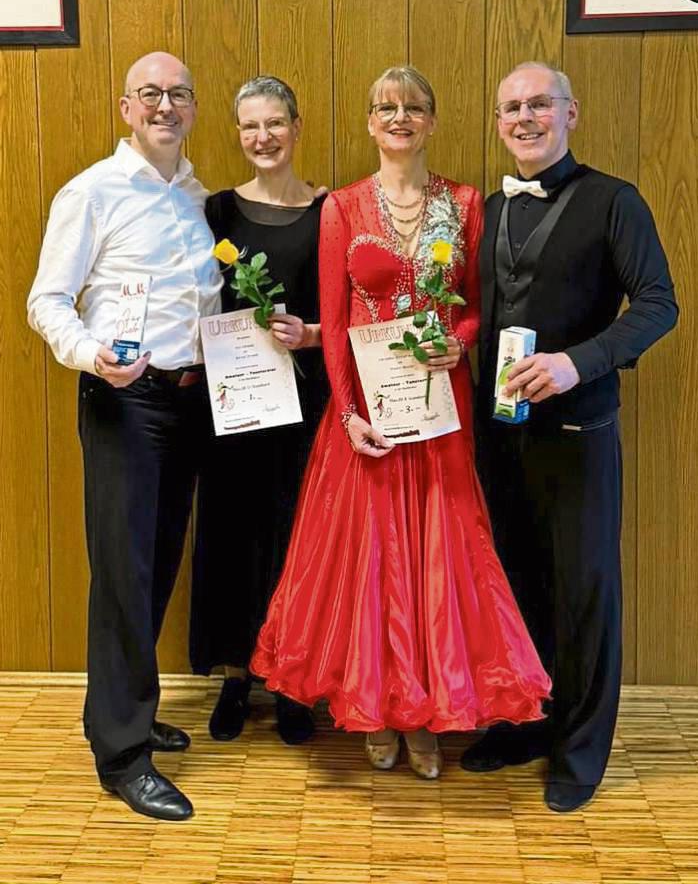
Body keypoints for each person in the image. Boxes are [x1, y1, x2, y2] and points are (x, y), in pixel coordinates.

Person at [250, 66, 551, 780]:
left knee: (440, 567)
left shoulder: (466, 202)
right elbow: (331, 324)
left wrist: (463, 339)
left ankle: (426, 716)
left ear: (433, 120)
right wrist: (347, 413)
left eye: (413, 106)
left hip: (439, 412)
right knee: (373, 567)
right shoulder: (342, 208)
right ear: (368, 121)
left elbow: (477, 306)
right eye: (385, 106)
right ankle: (377, 712)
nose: (399, 117)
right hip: (364, 420)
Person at [461, 61, 679, 812]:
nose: (525, 117)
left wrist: (575, 363)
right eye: (511, 107)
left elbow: (659, 305)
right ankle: (529, 724)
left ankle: (580, 752)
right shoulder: (488, 209)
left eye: (539, 104)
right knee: (518, 590)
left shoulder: (617, 201)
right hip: (500, 437)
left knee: (586, 593)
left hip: (580, 432)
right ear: (498, 123)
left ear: (571, 112)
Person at [27, 52, 222, 821]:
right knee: (123, 574)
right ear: (125, 107)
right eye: (151, 94)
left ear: (193, 107)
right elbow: (48, 300)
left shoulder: (199, 196)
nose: (165, 106)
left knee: (159, 559)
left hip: (191, 400)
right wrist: (87, 353)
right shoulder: (92, 192)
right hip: (123, 401)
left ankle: (130, 713)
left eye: (178, 93)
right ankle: (121, 756)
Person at [190, 76, 328, 744]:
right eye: (250, 126)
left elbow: (348, 308)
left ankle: (294, 680)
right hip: (235, 403)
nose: (263, 137)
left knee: (297, 538)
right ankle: (238, 675)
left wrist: (313, 333)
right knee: (232, 534)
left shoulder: (331, 210)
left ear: (297, 128)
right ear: (238, 133)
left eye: (275, 123)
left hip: (307, 402)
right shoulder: (215, 211)